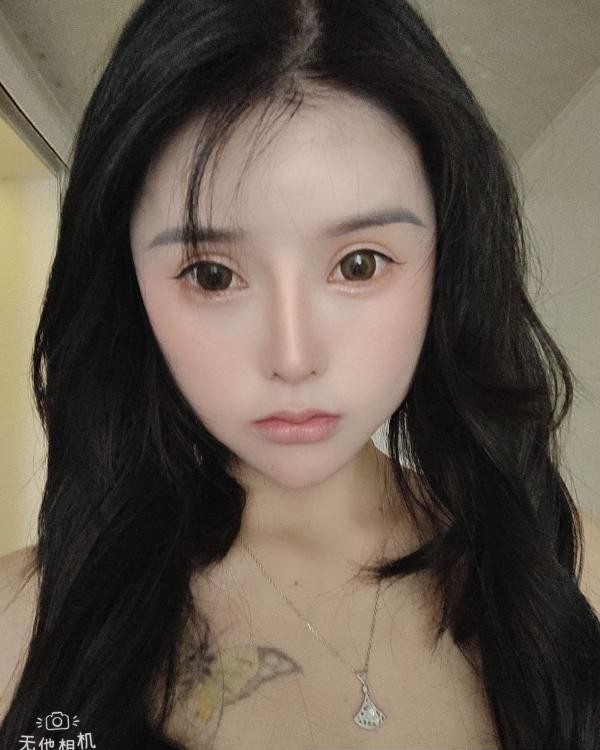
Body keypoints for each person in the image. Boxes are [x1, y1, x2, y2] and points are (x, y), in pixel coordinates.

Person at [0, 1, 599, 749]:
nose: (292, 357)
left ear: (449, 266)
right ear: (128, 288)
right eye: (212, 275)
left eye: (360, 264)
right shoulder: (21, 627)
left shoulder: (570, 573)